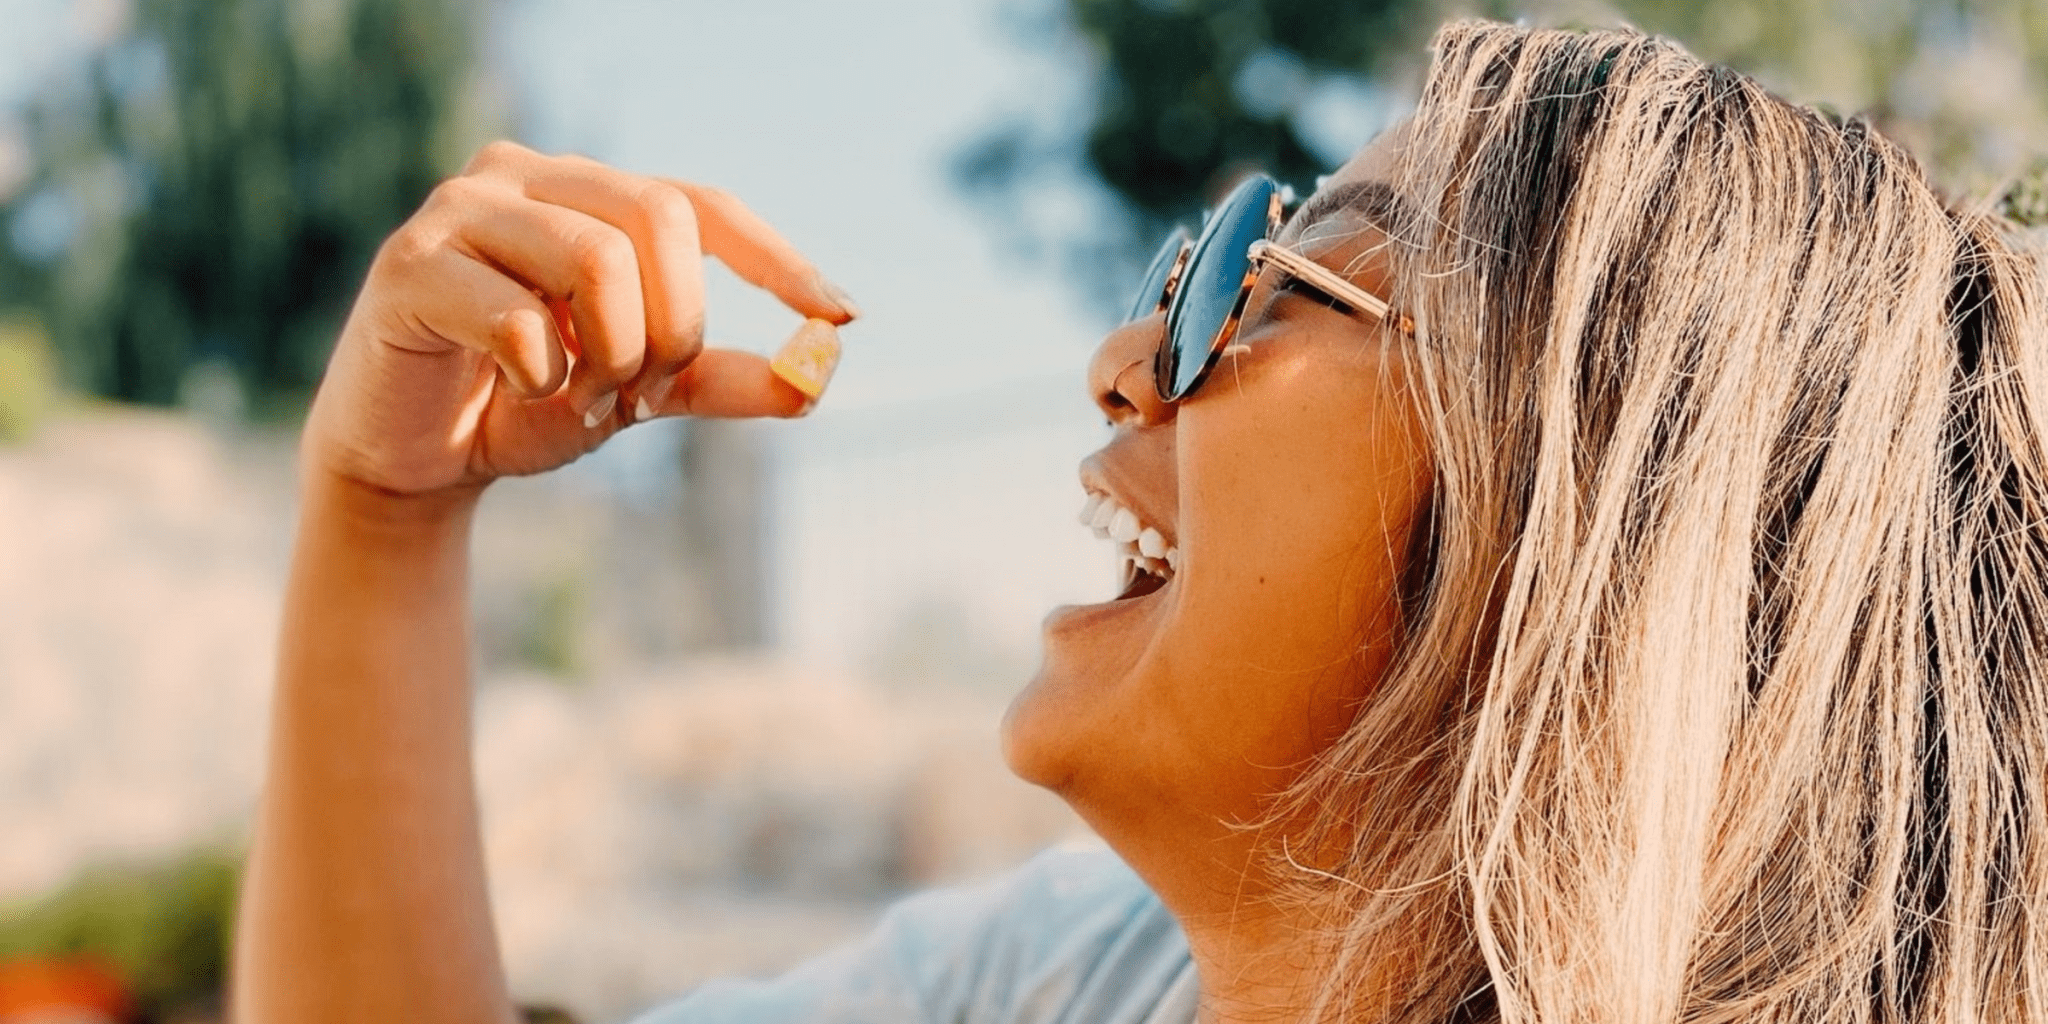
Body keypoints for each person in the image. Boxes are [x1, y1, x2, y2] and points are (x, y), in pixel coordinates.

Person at [229, 18, 2048, 1024]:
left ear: (1593, 528)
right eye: (1196, 265)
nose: (1124, 360)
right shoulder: (1075, 980)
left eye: (1273, 281)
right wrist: (387, 515)